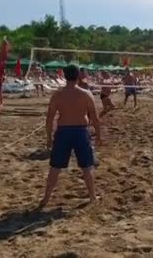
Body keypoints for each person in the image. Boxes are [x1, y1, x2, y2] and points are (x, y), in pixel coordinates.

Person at [39, 64, 102, 208]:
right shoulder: (85, 94)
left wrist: (49, 137)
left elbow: (49, 119)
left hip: (63, 132)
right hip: (80, 131)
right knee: (87, 166)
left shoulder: (58, 94)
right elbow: (95, 117)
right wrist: (98, 135)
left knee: (55, 167)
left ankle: (46, 198)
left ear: (64, 75)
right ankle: (92, 197)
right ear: (79, 75)